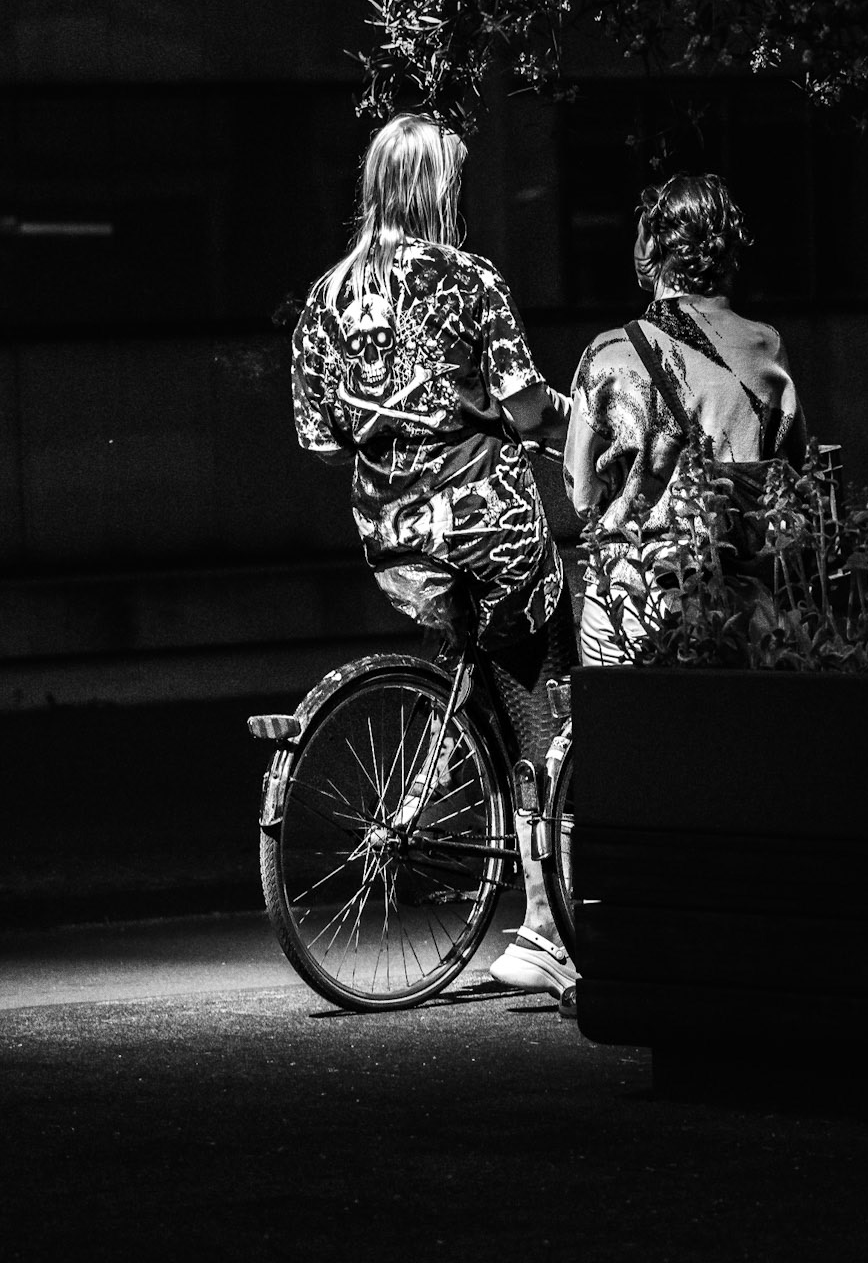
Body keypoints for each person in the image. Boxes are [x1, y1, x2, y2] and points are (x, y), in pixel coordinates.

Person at [291, 112, 578, 1001]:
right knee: (544, 707)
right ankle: (546, 924)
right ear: (434, 189)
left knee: (481, 676)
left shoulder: (323, 297)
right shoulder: (468, 279)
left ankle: (488, 822)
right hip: (488, 528)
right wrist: (578, 422)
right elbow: (525, 405)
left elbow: (319, 441)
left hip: (394, 544)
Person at [564, 172, 807, 664]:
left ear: (652, 248)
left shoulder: (608, 354)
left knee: (623, 737)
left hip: (633, 601)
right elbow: (793, 469)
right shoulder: (767, 346)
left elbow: (583, 500)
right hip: (738, 605)